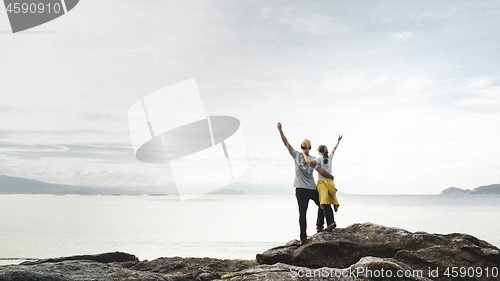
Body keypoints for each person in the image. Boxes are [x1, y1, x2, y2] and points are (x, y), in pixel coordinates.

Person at [277, 122, 334, 244]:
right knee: (322, 204)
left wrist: (280, 130)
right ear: (310, 148)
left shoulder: (297, 155)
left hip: (300, 190)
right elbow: (322, 172)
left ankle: (303, 237)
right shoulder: (313, 159)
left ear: (301, 148)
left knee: (302, 213)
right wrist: (331, 176)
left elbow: (286, 143)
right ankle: (322, 226)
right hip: (312, 189)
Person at [301, 134, 342, 232]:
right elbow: (334, 149)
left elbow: (308, 162)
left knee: (324, 203)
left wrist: (303, 153)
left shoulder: (319, 159)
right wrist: (338, 141)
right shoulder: (330, 157)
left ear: (319, 152)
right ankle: (320, 226)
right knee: (322, 204)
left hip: (322, 184)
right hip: (330, 183)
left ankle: (329, 223)